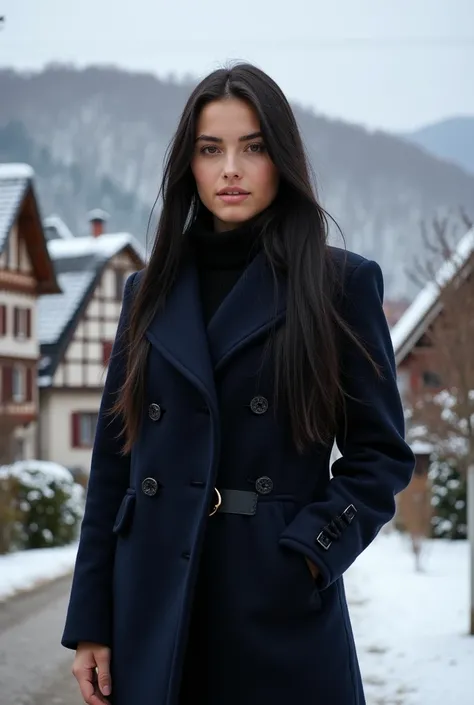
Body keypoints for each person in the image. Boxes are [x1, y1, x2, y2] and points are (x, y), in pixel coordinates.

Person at [62, 63, 415, 705]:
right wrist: (91, 622)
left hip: (274, 609)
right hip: (153, 607)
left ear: (281, 158)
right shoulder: (148, 293)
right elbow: (115, 464)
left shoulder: (340, 285)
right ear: (188, 167)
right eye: (210, 149)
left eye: (252, 147)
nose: (231, 168)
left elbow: (382, 455)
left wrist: (310, 552)